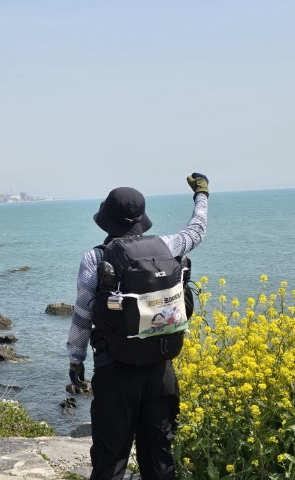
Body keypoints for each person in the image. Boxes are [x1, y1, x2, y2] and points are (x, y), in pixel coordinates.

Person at [67, 173, 209, 479]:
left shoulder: (96, 257)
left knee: (110, 458)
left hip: (114, 370)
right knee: (159, 457)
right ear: (141, 219)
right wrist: (201, 193)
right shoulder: (168, 246)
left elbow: (83, 313)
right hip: (160, 369)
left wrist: (76, 359)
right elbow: (197, 230)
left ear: (107, 220)